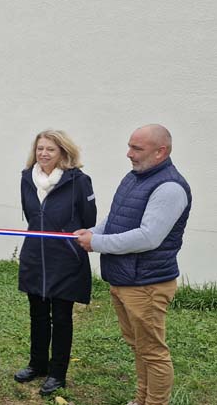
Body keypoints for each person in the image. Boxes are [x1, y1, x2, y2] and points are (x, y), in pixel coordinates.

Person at [75, 124, 191, 405]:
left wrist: (97, 243)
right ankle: (141, 399)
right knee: (139, 347)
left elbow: (149, 237)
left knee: (152, 351)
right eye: (129, 146)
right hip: (126, 279)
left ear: (160, 152)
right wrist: (93, 233)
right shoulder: (135, 178)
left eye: (136, 148)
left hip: (147, 284)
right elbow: (116, 219)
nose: (128, 154)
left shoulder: (170, 188)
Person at [15, 130, 97, 396]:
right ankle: (37, 364)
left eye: (50, 149)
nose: (44, 154)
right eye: (40, 148)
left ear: (63, 152)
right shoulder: (27, 178)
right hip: (34, 258)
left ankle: (57, 373)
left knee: (61, 318)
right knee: (37, 314)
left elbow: (88, 218)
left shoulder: (79, 181)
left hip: (65, 260)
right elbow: (30, 215)